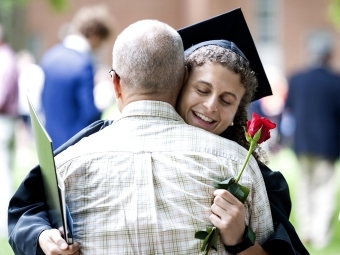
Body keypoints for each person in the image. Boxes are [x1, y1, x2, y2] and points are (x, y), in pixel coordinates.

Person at [9, 9, 308, 255]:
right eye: (201, 90)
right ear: (180, 82)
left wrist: (240, 238)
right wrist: (41, 236)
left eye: (226, 100)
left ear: (238, 113)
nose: (210, 106)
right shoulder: (89, 146)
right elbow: (31, 208)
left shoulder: (246, 171)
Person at [284, 31, 340, 249]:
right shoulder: (335, 81)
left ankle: (306, 230)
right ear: (329, 54)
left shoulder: (296, 79)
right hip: (327, 145)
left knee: (305, 186)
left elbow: (289, 111)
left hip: (302, 143)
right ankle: (319, 235)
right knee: (324, 188)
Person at [40, 5, 112, 149]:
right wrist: (104, 102)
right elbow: (89, 114)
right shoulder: (83, 63)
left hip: (49, 145)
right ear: (95, 35)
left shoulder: (49, 56)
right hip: (73, 147)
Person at [0, 23, 18, 237]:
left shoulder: (3, 59)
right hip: (7, 121)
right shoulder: (8, 57)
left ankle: (4, 223)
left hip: (3, 121)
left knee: (3, 172)